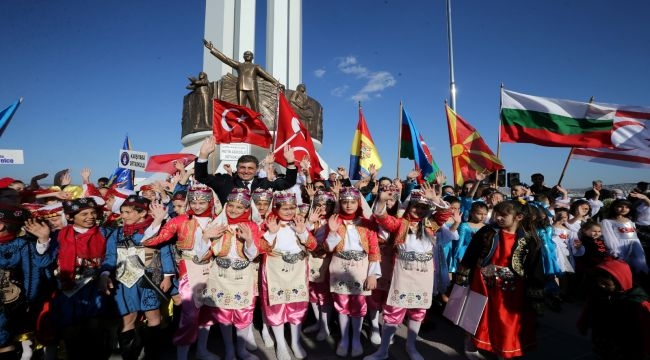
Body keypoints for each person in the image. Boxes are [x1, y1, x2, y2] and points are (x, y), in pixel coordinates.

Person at [365, 185, 449, 360]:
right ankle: (383, 350)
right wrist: (381, 200)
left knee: (418, 310)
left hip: (424, 275)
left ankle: (411, 346)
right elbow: (382, 218)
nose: (419, 210)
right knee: (394, 310)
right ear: (409, 205)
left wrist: (434, 200)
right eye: (416, 206)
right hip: (402, 274)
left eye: (423, 207)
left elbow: (444, 214)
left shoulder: (431, 224)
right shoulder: (400, 224)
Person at [455, 200, 545, 359]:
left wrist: (536, 293)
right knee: (477, 314)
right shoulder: (487, 232)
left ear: (519, 217)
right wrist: (463, 276)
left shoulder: (530, 239)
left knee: (506, 320)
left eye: (504, 215)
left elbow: (534, 267)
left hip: (512, 287)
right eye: (496, 214)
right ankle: (470, 343)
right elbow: (471, 254)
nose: (498, 218)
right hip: (483, 281)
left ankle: (503, 349)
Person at [141, 185, 220, 360]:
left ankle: (202, 350)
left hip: (213, 269)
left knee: (208, 312)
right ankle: (181, 355)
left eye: (202, 202)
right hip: (189, 269)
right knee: (190, 316)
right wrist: (158, 221)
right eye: (194, 201)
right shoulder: (180, 220)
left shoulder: (218, 220)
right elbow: (149, 241)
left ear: (210, 202)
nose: (198, 206)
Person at [99, 195, 175, 360]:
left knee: (153, 316)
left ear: (142, 213)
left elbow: (165, 252)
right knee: (128, 317)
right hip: (125, 280)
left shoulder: (156, 230)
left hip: (150, 279)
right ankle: (129, 355)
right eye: (122, 212)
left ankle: (152, 354)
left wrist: (168, 276)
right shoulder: (117, 233)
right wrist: (105, 273)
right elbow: (111, 256)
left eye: (128, 212)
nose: (123, 216)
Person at [203, 188, 261, 360]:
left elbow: (253, 255)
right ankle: (229, 349)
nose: (234, 210)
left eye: (239, 207)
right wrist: (206, 237)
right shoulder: (216, 224)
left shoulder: (251, 226)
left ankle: (241, 349)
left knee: (244, 313)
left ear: (246, 209)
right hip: (220, 275)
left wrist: (249, 240)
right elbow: (202, 254)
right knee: (223, 313)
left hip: (243, 276)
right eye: (231, 206)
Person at [259, 191, 317, 360]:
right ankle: (281, 344)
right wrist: (271, 233)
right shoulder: (268, 223)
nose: (289, 211)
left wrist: (302, 232)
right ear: (276, 208)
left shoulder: (299, 223)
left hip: (298, 270)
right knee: (276, 306)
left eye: (292, 207)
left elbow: (313, 245)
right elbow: (260, 248)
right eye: (284, 208)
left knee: (297, 306)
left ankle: (295, 342)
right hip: (274, 269)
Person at [325, 187, 380, 358]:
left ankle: (356, 338)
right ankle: (344, 338)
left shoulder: (367, 223)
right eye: (345, 201)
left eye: (352, 202)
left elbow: (374, 250)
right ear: (340, 203)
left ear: (358, 203)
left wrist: (372, 274)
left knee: (358, 304)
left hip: (360, 267)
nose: (348, 205)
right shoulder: (334, 220)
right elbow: (328, 248)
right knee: (341, 304)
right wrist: (332, 231)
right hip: (339, 265)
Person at [0, 205, 55, 360]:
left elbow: (39, 266)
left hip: (12, 304)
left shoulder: (23, 245)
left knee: (4, 342)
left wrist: (43, 239)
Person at [576, 259, 650, 359]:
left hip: (627, 347)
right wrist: (582, 325)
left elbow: (646, 329)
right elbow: (588, 310)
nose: (601, 285)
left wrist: (646, 351)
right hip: (603, 341)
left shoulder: (637, 303)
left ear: (620, 282)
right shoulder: (598, 294)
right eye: (599, 282)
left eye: (606, 283)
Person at [193, 136, 298, 206]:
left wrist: (290, 163)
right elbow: (201, 177)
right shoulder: (225, 181)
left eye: (250, 168)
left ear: (256, 169)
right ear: (237, 168)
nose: (246, 171)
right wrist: (203, 155)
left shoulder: (265, 183)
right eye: (242, 167)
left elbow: (288, 182)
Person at [203, 40, 282, 113]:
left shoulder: (256, 66)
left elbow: (266, 75)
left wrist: (277, 83)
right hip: (241, 87)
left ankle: (258, 124)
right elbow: (226, 59)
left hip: (252, 88)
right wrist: (212, 49)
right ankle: (242, 125)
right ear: (243, 57)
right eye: (246, 54)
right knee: (240, 108)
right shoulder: (239, 65)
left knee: (255, 108)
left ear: (252, 57)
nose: (248, 55)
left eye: (249, 54)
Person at [600, 198, 649, 274]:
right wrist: (615, 251)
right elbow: (609, 237)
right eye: (620, 206)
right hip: (620, 246)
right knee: (623, 266)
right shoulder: (607, 222)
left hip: (635, 245)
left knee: (639, 264)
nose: (624, 209)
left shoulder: (630, 220)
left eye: (627, 207)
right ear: (614, 207)